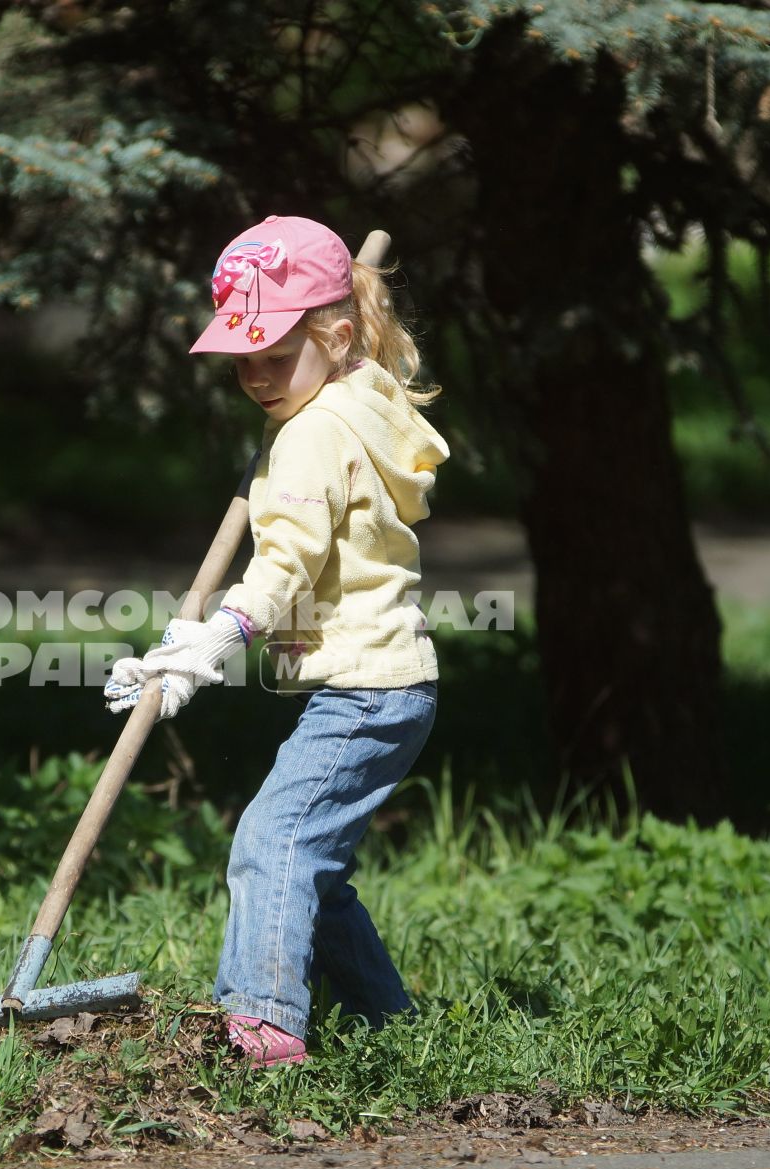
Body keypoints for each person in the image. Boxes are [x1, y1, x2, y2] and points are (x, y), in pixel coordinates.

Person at [104, 214, 450, 1067]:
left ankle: (261, 1018)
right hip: (388, 684)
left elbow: (285, 566)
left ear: (333, 336)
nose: (256, 377)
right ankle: (384, 1025)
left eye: (274, 355)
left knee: (272, 843)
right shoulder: (356, 396)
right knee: (316, 871)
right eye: (241, 360)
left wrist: (212, 639)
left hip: (364, 690)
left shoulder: (310, 433)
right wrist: (190, 656)